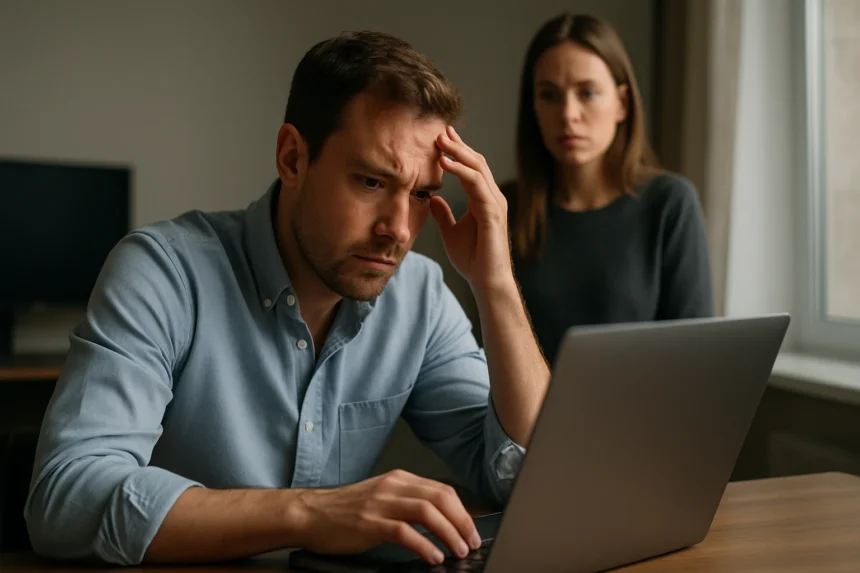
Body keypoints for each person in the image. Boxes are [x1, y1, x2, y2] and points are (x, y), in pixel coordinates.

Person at [24, 32, 549, 567]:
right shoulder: (163, 272)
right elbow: (67, 499)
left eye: (420, 195)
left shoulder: (420, 296)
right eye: (371, 181)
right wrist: (311, 514)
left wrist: (496, 285)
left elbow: (532, 483)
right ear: (293, 157)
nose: (398, 229)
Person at [503, 13, 713, 365]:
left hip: (645, 417)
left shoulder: (669, 204)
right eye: (549, 95)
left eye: (587, 92)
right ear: (534, 107)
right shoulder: (503, 208)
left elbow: (695, 359)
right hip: (528, 420)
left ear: (622, 104)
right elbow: (488, 353)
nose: (568, 113)